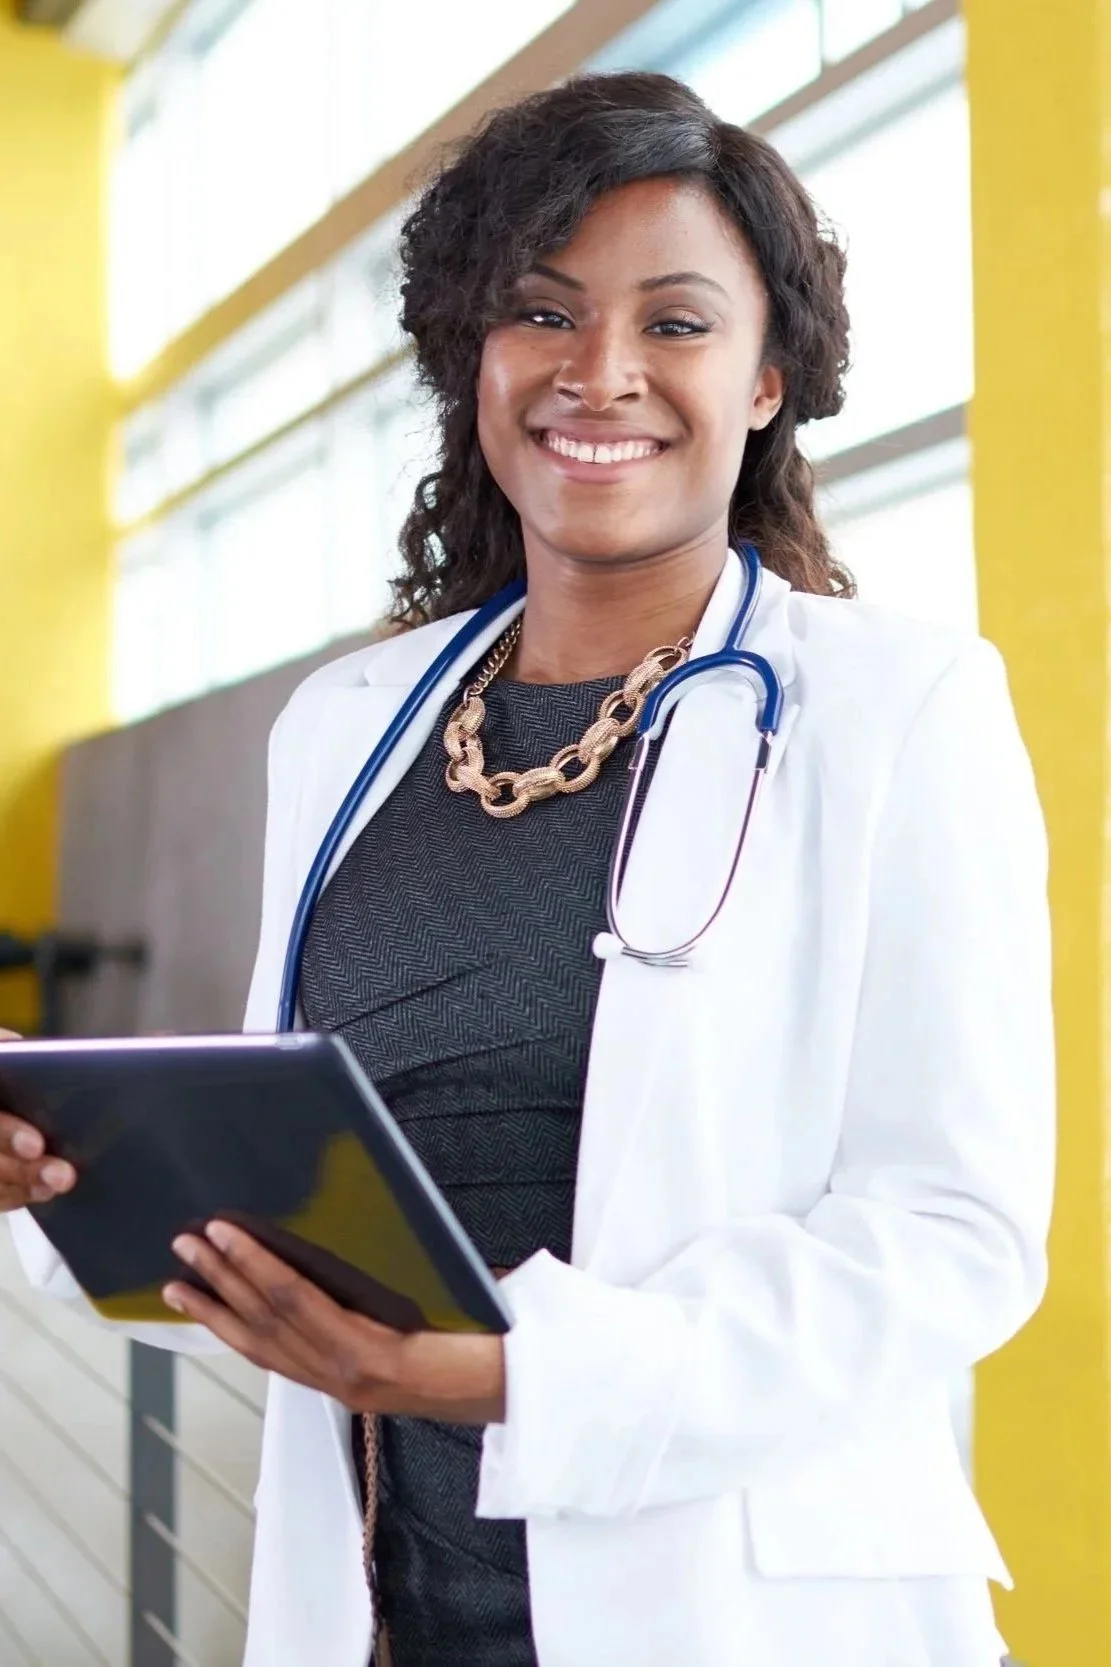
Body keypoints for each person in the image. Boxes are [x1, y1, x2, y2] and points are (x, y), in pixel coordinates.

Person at [0, 70, 1053, 1667]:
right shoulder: (345, 723)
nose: (599, 372)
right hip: (383, 1591)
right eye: (541, 313)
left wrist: (519, 1378)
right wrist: (70, 1175)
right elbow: (294, 1166)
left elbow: (951, 1232)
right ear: (470, 358)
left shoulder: (895, 704)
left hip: (735, 1604)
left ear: (771, 376)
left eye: (677, 322)